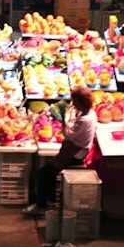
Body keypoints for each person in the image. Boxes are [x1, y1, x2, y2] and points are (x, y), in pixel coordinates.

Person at [23, 86, 97, 215]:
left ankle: (40, 206)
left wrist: (62, 122)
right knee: (49, 171)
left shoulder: (85, 119)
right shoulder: (90, 113)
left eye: (74, 102)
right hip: (75, 149)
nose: (73, 104)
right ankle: (51, 200)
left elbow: (69, 135)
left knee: (42, 173)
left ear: (80, 103)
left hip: (75, 154)